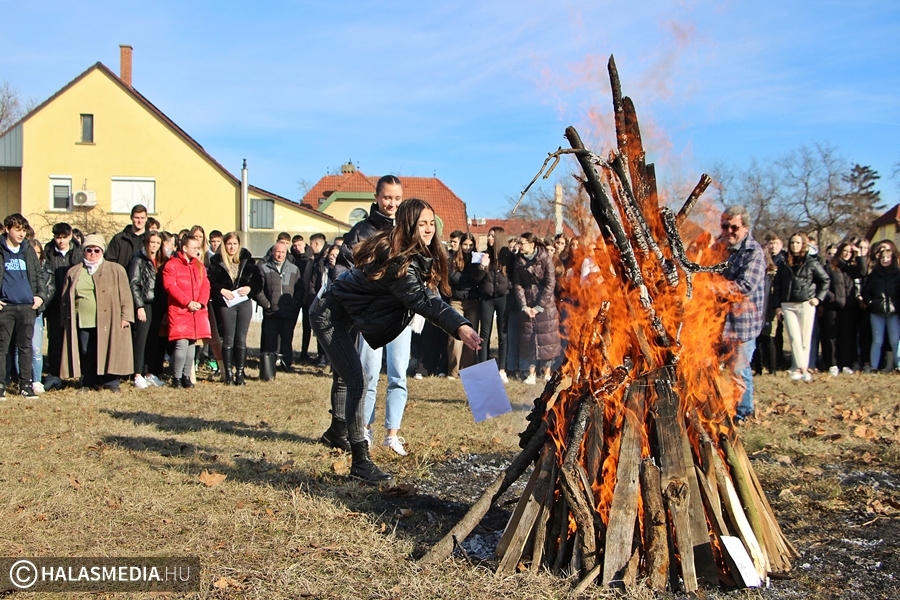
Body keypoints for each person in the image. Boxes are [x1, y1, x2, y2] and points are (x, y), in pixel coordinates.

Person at [311, 198, 481, 484]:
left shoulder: (419, 253)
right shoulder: (399, 258)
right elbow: (422, 300)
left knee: (350, 378)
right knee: (357, 380)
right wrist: (459, 326)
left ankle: (337, 432)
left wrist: (459, 323)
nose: (428, 229)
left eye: (431, 223)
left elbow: (430, 295)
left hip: (351, 313)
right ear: (409, 224)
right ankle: (361, 462)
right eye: (421, 223)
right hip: (330, 314)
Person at [338, 175, 413, 455]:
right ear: (377, 197)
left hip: (401, 312)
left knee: (398, 374)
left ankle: (392, 433)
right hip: (371, 314)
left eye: (396, 198)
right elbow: (344, 269)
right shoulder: (361, 231)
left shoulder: (408, 230)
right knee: (368, 375)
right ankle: (364, 430)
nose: (391, 203)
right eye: (386, 198)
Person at [60, 234, 134, 392]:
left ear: (102, 251)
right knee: (87, 351)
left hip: (109, 319)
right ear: (83, 251)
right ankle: (88, 381)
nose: (92, 253)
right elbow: (65, 297)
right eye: (89, 250)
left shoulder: (116, 270)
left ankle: (111, 381)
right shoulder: (74, 272)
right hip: (84, 319)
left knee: (110, 348)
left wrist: (126, 316)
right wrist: (64, 319)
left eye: (97, 250)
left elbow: (126, 295)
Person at [718, 206, 767, 420]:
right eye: (725, 226)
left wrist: (715, 287)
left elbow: (745, 286)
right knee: (713, 369)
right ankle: (720, 408)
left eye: (734, 227)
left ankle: (743, 412)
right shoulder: (718, 247)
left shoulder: (754, 252)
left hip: (742, 324)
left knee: (739, 370)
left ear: (745, 228)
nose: (729, 231)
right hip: (718, 322)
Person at [0, 214, 49, 398]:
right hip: (6, 307)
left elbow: (38, 274)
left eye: (23, 230)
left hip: (27, 306)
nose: (21, 234)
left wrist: (40, 296)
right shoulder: (0, 249)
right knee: (2, 348)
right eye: (17, 230)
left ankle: (26, 385)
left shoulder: (28, 249)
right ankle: (1, 384)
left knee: (25, 347)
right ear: (7, 229)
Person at [773, 232, 830, 382]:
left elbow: (825, 280)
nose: (795, 246)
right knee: (793, 337)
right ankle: (803, 369)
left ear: (803, 245)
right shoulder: (783, 262)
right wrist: (777, 306)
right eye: (792, 243)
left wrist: (818, 298)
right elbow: (777, 285)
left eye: (798, 243)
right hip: (788, 304)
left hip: (806, 303)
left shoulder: (811, 262)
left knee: (805, 338)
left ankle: (800, 369)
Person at [209, 232, 262, 384]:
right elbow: (210, 282)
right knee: (228, 338)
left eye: (234, 244)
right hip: (226, 304)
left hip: (244, 303)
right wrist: (220, 290)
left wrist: (250, 288)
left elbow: (258, 282)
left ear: (239, 245)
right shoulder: (216, 262)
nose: (232, 247)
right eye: (229, 244)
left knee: (241, 338)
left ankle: (240, 373)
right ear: (224, 245)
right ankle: (228, 374)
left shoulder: (248, 261)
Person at [162, 234, 211, 388]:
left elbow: (205, 285)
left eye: (198, 248)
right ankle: (176, 377)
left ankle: (186, 377)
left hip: (197, 311)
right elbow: (170, 286)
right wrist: (187, 302)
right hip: (180, 310)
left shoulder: (199, 266)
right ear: (184, 248)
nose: (197, 251)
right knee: (181, 345)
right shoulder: (172, 265)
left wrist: (201, 303)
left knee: (191, 345)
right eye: (194, 248)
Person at [512, 232, 560, 384]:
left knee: (547, 337)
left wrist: (540, 305)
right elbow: (517, 283)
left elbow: (550, 283)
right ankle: (531, 373)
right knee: (529, 337)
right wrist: (524, 305)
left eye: (522, 243)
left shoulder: (545, 259)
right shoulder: (519, 261)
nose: (520, 246)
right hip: (528, 301)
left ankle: (547, 372)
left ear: (531, 245)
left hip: (545, 304)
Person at [43, 222, 83, 389]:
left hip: (75, 303)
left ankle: (80, 374)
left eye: (64, 237)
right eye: (57, 237)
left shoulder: (79, 252)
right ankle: (54, 374)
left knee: (78, 339)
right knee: (55, 340)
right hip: (54, 303)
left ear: (70, 236)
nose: (61, 241)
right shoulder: (48, 253)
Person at [256, 240, 302, 373]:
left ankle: (286, 364)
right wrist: (266, 304)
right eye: (278, 252)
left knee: (287, 339)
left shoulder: (294, 269)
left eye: (283, 252)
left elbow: (300, 289)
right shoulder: (264, 268)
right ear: (272, 252)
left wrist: (295, 303)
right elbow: (258, 289)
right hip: (271, 312)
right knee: (270, 340)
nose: (280, 255)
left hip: (288, 312)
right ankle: (269, 366)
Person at [127, 231, 166, 388]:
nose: (155, 245)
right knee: (140, 340)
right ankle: (137, 374)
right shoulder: (138, 260)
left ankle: (149, 373)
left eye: (157, 243)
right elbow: (133, 284)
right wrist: (139, 306)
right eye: (152, 242)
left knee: (153, 340)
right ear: (146, 243)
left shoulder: (161, 261)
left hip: (157, 305)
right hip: (144, 304)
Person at [477, 227, 511, 382]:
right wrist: (483, 267)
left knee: (503, 334)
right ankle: (484, 368)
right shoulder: (484, 255)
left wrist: (508, 288)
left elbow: (515, 277)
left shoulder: (508, 257)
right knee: (484, 334)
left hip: (503, 298)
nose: (489, 238)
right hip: (487, 298)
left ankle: (502, 369)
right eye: (488, 235)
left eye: (492, 236)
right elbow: (476, 280)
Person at [447, 232, 482, 378]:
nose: (468, 247)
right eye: (465, 244)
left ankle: (468, 370)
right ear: (461, 245)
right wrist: (467, 279)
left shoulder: (477, 259)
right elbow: (452, 278)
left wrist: (473, 273)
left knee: (471, 336)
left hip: (473, 301)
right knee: (454, 336)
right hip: (456, 300)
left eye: (471, 245)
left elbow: (478, 278)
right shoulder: (453, 258)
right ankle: (453, 371)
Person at [861, 240, 900, 373]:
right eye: (883, 257)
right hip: (876, 311)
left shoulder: (897, 274)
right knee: (877, 340)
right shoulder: (874, 275)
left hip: (893, 311)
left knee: (895, 340)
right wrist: (870, 302)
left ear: (892, 258)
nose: (885, 260)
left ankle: (898, 365)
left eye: (888, 257)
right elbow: (865, 291)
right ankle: (874, 366)